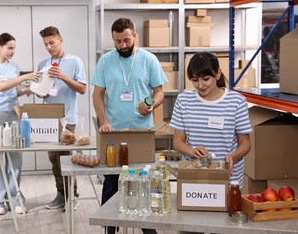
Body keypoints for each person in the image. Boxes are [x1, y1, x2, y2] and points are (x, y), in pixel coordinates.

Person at [91, 17, 167, 234]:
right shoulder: (105, 61)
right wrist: (103, 121)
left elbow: (159, 92)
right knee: (112, 182)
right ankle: (110, 229)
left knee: (143, 182)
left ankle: (148, 229)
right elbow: (97, 95)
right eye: (117, 42)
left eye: (126, 40)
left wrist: (151, 105)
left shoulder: (149, 60)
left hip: (141, 133)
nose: (123, 46)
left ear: (135, 35)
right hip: (113, 132)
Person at [170, 52, 252, 189]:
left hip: (228, 177)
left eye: (206, 79)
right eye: (195, 80)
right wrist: (192, 151)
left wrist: (232, 157)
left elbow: (245, 144)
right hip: (194, 176)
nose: (200, 85)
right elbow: (178, 143)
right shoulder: (183, 100)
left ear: (218, 74)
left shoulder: (236, 101)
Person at [0, 32, 39, 215]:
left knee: (15, 158)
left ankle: (15, 197)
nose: (13, 51)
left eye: (14, 48)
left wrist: (29, 89)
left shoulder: (13, 66)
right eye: (10, 48)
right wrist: (25, 77)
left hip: (14, 113)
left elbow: (15, 91)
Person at [36, 26, 87, 210]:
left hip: (68, 119)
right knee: (53, 160)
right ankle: (60, 194)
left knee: (65, 159)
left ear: (61, 40)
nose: (49, 47)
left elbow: (82, 89)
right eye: (45, 44)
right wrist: (41, 93)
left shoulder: (75, 61)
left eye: (52, 42)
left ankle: (72, 196)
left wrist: (63, 77)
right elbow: (41, 90)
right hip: (48, 119)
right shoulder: (43, 64)